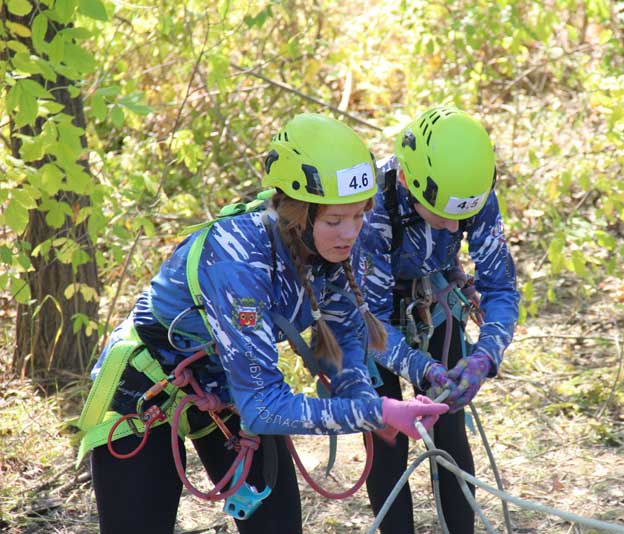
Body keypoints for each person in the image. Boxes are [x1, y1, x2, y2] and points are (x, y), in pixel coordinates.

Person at [73, 113, 448, 534]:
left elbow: (342, 348)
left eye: (360, 216)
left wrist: (370, 405)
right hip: (145, 391)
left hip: (230, 389)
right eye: (334, 220)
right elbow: (265, 406)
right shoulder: (239, 259)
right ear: (297, 213)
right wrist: (377, 410)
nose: (350, 233)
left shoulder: (338, 250)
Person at [359, 106, 520, 533]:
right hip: (367, 312)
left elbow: (501, 288)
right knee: (387, 439)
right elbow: (369, 321)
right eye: (441, 212)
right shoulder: (370, 206)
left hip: (432, 296)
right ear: (410, 182)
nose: (454, 227)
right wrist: (421, 367)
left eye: (461, 216)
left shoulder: (469, 192)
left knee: (448, 427)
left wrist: (485, 356)